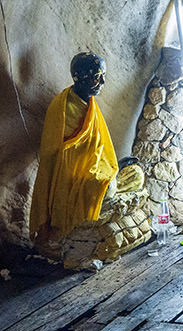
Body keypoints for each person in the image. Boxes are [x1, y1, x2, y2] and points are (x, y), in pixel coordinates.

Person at [30, 52, 118, 247]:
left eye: (103, 75)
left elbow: (98, 146)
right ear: (81, 77)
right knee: (106, 187)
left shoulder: (90, 104)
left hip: (92, 166)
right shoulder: (61, 107)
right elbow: (53, 153)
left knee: (133, 174)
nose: (102, 81)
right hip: (67, 175)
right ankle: (70, 234)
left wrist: (104, 166)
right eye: (97, 77)